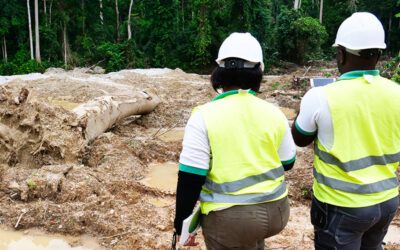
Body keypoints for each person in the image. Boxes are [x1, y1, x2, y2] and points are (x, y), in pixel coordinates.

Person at [173, 32, 296, 250]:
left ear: (219, 72)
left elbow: (190, 178)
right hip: (277, 211)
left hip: (231, 219)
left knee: (241, 234)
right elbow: (288, 163)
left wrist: (181, 223)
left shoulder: (203, 115)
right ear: (259, 72)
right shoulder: (274, 112)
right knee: (253, 237)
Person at [291, 12, 400, 250]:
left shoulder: (321, 97)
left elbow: (299, 138)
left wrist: (306, 109)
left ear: (341, 54)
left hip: (342, 205)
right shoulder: (397, 93)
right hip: (387, 202)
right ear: (379, 54)